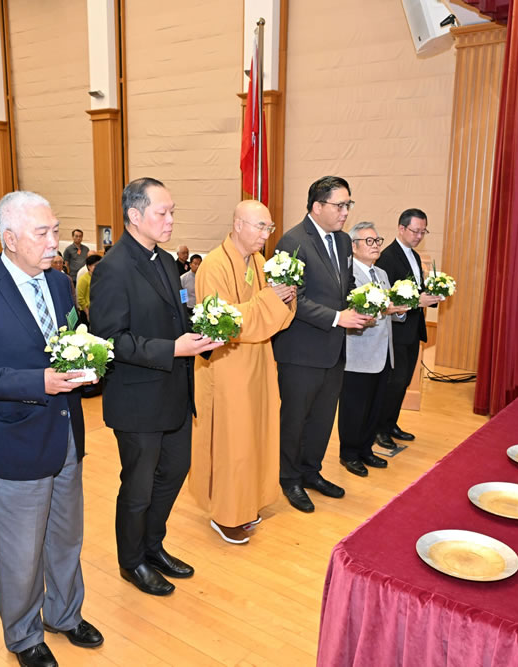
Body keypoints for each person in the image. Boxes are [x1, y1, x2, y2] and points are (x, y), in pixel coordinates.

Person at [0, 191, 103, 666]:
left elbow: (66, 342)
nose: (55, 241)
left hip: (67, 435)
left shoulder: (57, 285)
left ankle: (65, 613)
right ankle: (23, 635)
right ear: (10, 239)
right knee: (20, 554)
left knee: (66, 538)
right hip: (14, 443)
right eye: (44, 233)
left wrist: (86, 362)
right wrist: (38, 382)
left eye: (55, 230)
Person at [90, 177, 222, 596]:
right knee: (139, 486)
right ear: (134, 216)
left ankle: (153, 545)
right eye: (161, 213)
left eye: (171, 212)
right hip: (138, 398)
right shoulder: (112, 269)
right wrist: (173, 348)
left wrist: (202, 336)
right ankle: (132, 563)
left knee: (173, 474)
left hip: (174, 393)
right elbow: (109, 340)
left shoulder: (166, 262)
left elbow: (177, 319)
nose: (169, 220)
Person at [189, 201, 295, 544]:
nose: (266, 235)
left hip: (259, 359)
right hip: (226, 364)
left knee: (256, 434)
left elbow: (272, 313)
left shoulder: (260, 262)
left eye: (269, 228)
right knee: (232, 440)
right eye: (259, 227)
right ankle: (226, 514)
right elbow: (222, 320)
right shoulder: (213, 266)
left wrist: (285, 297)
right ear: (237, 224)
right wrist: (271, 300)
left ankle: (249, 500)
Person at [272, 176, 374, 513]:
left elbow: (341, 290)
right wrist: (337, 318)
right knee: (295, 418)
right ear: (317, 207)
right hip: (300, 350)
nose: (346, 211)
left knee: (322, 418)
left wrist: (360, 308)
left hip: (333, 350)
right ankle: (289, 479)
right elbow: (292, 299)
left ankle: (311, 471)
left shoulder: (344, 242)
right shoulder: (292, 242)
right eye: (340, 205)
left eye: (349, 204)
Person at [338, 222, 410, 477]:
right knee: (354, 407)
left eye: (378, 240)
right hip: (358, 352)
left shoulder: (381, 274)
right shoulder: (346, 275)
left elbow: (389, 311)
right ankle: (349, 453)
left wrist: (400, 310)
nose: (376, 245)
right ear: (354, 246)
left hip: (383, 352)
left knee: (374, 406)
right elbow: (354, 314)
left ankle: (366, 449)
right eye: (369, 241)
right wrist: (383, 309)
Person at [374, 208, 443, 445]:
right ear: (401, 229)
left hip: (412, 329)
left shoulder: (413, 256)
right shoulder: (387, 257)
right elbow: (386, 299)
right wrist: (417, 301)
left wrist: (431, 294)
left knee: (403, 382)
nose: (419, 236)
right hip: (395, 330)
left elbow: (415, 290)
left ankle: (391, 423)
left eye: (423, 231)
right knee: (393, 382)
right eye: (415, 231)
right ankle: (379, 429)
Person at [76, 254, 100, 320]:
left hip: (99, 310)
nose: (98, 267)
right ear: (89, 266)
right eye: (95, 265)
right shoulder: (83, 279)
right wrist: (87, 312)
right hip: (86, 311)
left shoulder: (101, 277)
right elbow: (80, 299)